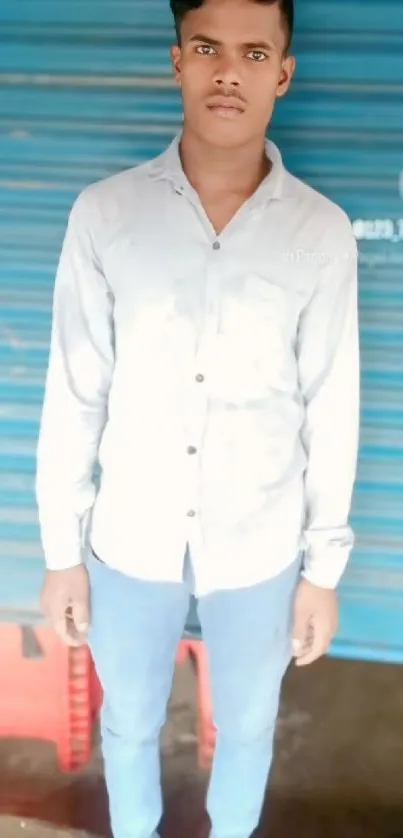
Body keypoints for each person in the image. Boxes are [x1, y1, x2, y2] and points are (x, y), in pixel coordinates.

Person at [36, 0, 360, 836]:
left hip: (259, 540)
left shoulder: (319, 233)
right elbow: (74, 391)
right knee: (129, 723)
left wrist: (322, 568)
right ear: (176, 61)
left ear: (282, 75)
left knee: (248, 729)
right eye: (208, 48)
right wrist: (62, 556)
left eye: (255, 53)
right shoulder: (106, 215)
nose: (228, 72)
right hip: (130, 535)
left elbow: (331, 403)